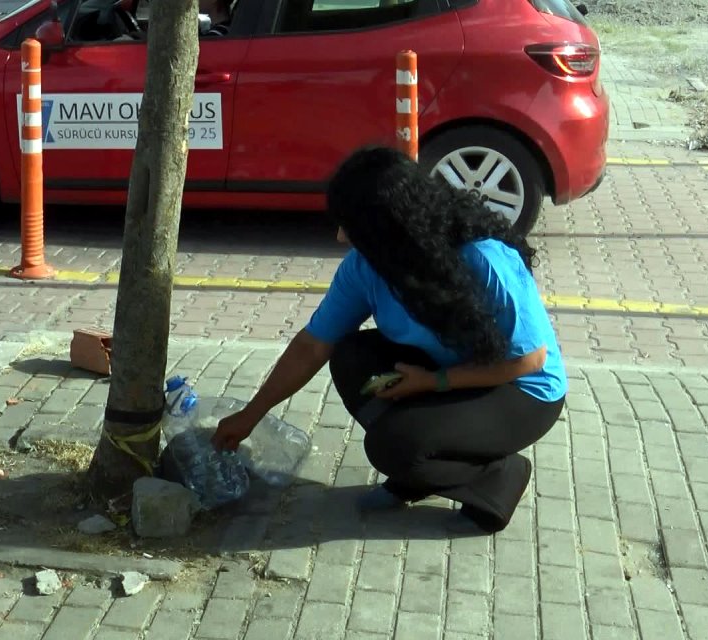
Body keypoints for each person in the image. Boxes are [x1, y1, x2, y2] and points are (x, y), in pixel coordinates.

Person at [211, 146, 567, 534]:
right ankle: (424, 459)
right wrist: (251, 414)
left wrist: (433, 383)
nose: (341, 237)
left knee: (392, 448)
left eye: (351, 226)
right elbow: (313, 345)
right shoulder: (367, 266)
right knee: (351, 355)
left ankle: (494, 475)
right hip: (445, 372)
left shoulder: (483, 258)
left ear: (391, 228)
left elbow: (529, 361)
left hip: (521, 391)